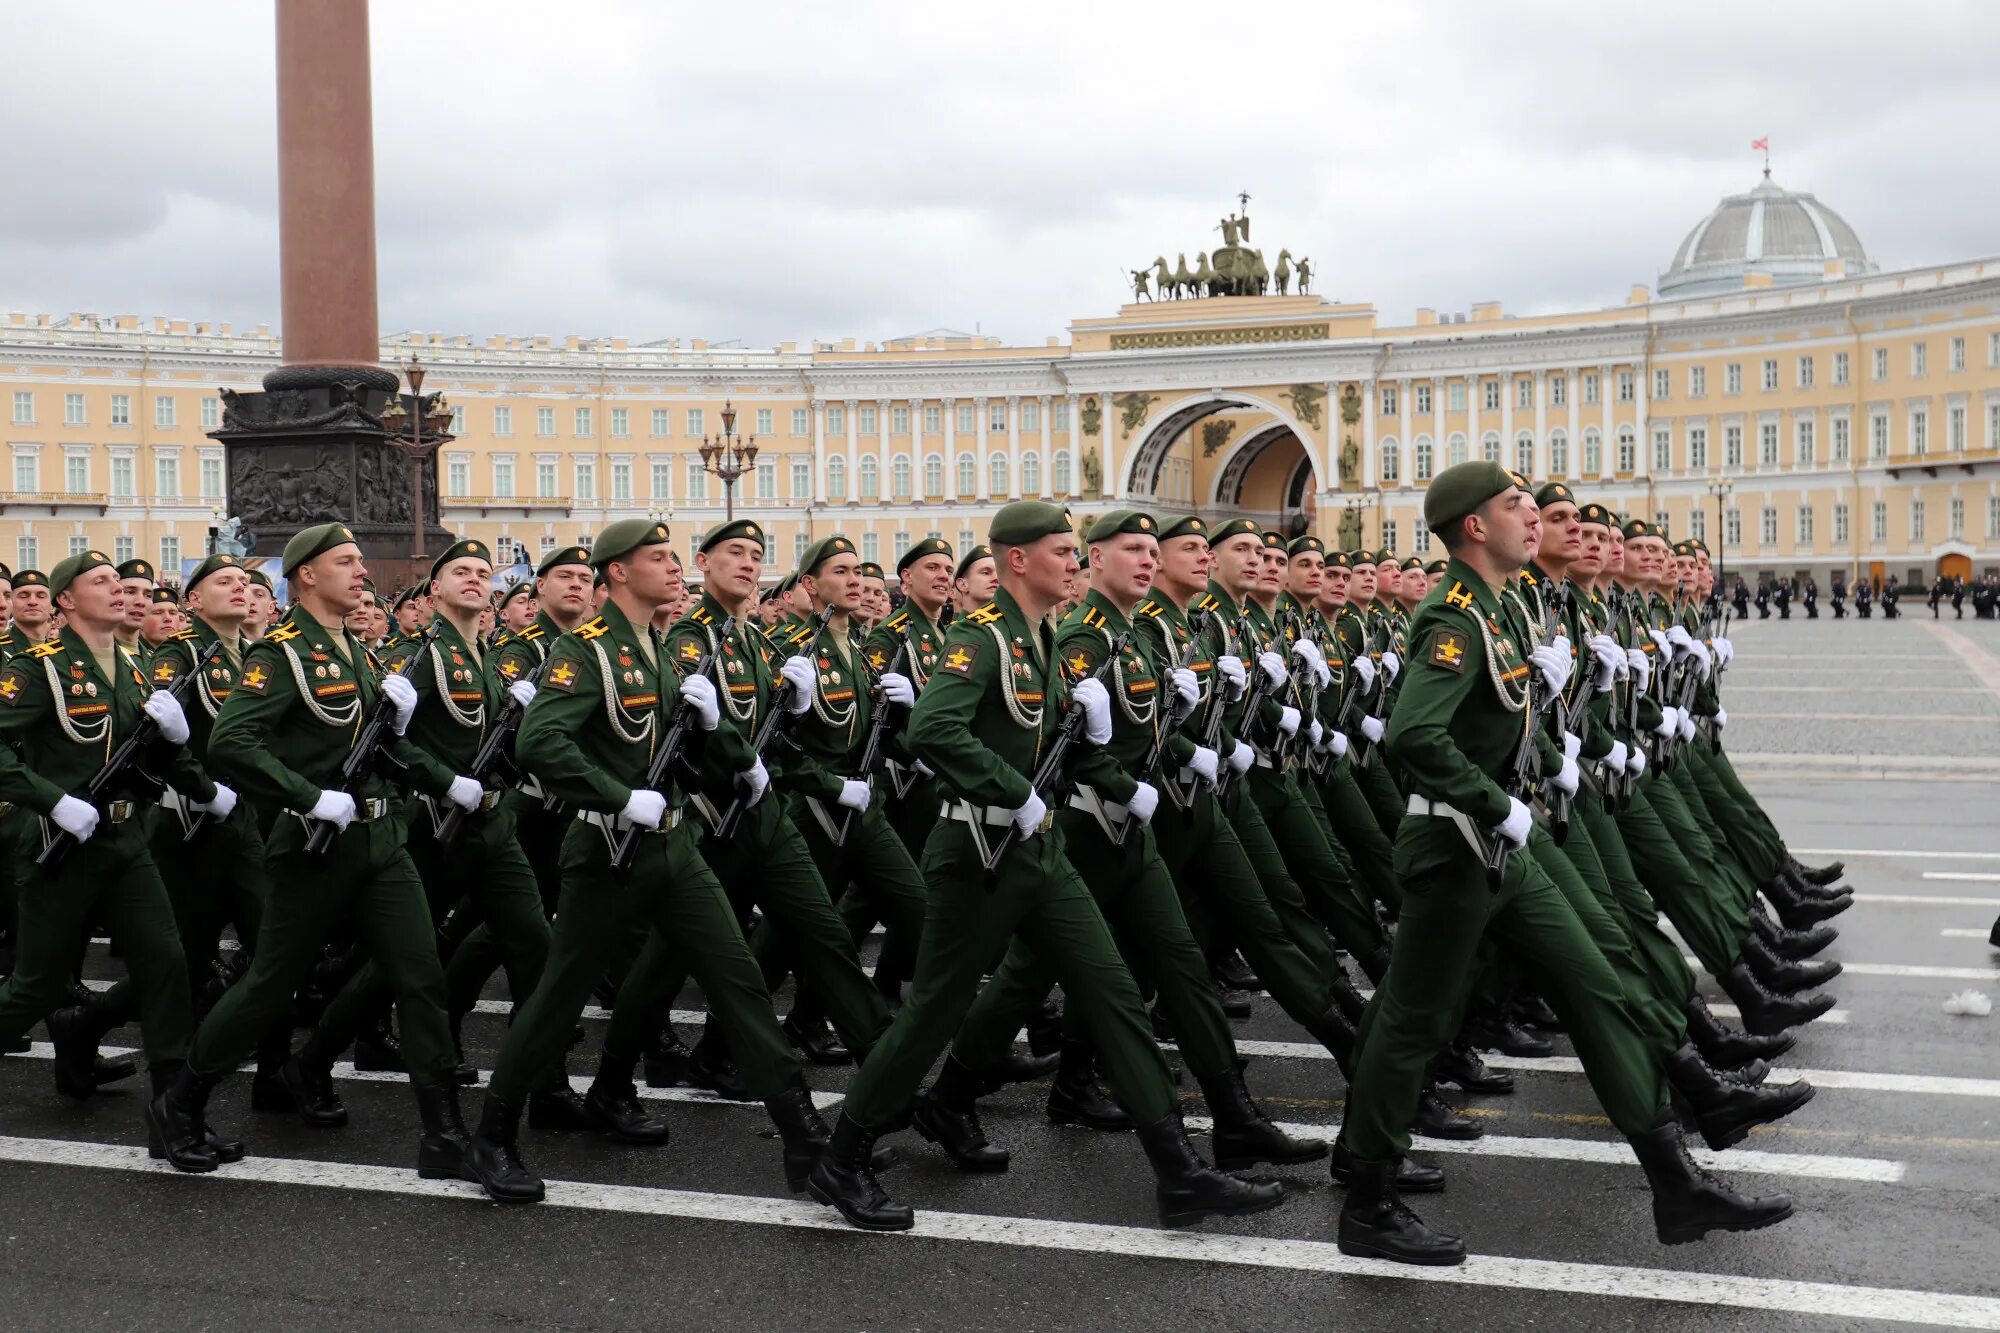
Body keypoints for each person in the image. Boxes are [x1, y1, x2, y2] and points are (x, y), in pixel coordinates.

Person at [1333, 462, 1794, 1266]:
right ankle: (1368, 1199)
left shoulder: (1507, 609)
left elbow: (1508, 722)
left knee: (1599, 987)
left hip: (1505, 848)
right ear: (1475, 526)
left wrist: (1548, 760)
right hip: (1452, 849)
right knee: (1412, 1024)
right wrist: (1496, 801)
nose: (1533, 518)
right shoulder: (1453, 617)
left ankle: (1676, 1181)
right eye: (1516, 506)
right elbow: (1414, 735)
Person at [806, 500, 1281, 1234]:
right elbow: (933, 726)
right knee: (931, 1013)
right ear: (1016, 562)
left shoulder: (1048, 637)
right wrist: (1009, 790)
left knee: (1115, 992)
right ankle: (844, 1155)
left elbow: (1070, 753)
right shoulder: (983, 636)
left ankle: (1180, 1172)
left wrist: (1125, 785)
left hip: (1041, 847)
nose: (1073, 562)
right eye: (1061, 550)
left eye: (1074, 549)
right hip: (979, 853)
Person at [462, 518, 836, 1204]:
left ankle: (810, 1144)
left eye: (672, 557)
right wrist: (616, 795)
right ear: (618, 574)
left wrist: (728, 744)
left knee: (739, 982)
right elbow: (542, 743)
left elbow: (676, 749)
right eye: (657, 558)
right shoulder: (588, 651)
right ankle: (491, 1134)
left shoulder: (657, 647)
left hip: (674, 843)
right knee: (556, 998)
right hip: (608, 849)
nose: (673, 568)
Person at [155, 522, 479, 1179]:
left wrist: (443, 778)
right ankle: (180, 1102)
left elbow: (382, 748)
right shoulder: (282, 654)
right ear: (307, 575)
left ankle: (445, 1133)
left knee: (419, 980)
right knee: (270, 984)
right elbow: (233, 744)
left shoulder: (356, 651)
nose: (362, 571)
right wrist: (307, 796)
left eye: (362, 559)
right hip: (314, 845)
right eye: (347, 561)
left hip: (382, 840)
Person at [0, 549, 228, 1168]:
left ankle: (174, 1118)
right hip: (63, 845)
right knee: (36, 986)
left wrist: (200, 778)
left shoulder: (133, 667)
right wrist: (52, 801)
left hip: (127, 843)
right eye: (101, 583)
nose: (122, 591)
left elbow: (150, 756)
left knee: (166, 967)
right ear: (66, 601)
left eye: (125, 584)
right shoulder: (37, 669)